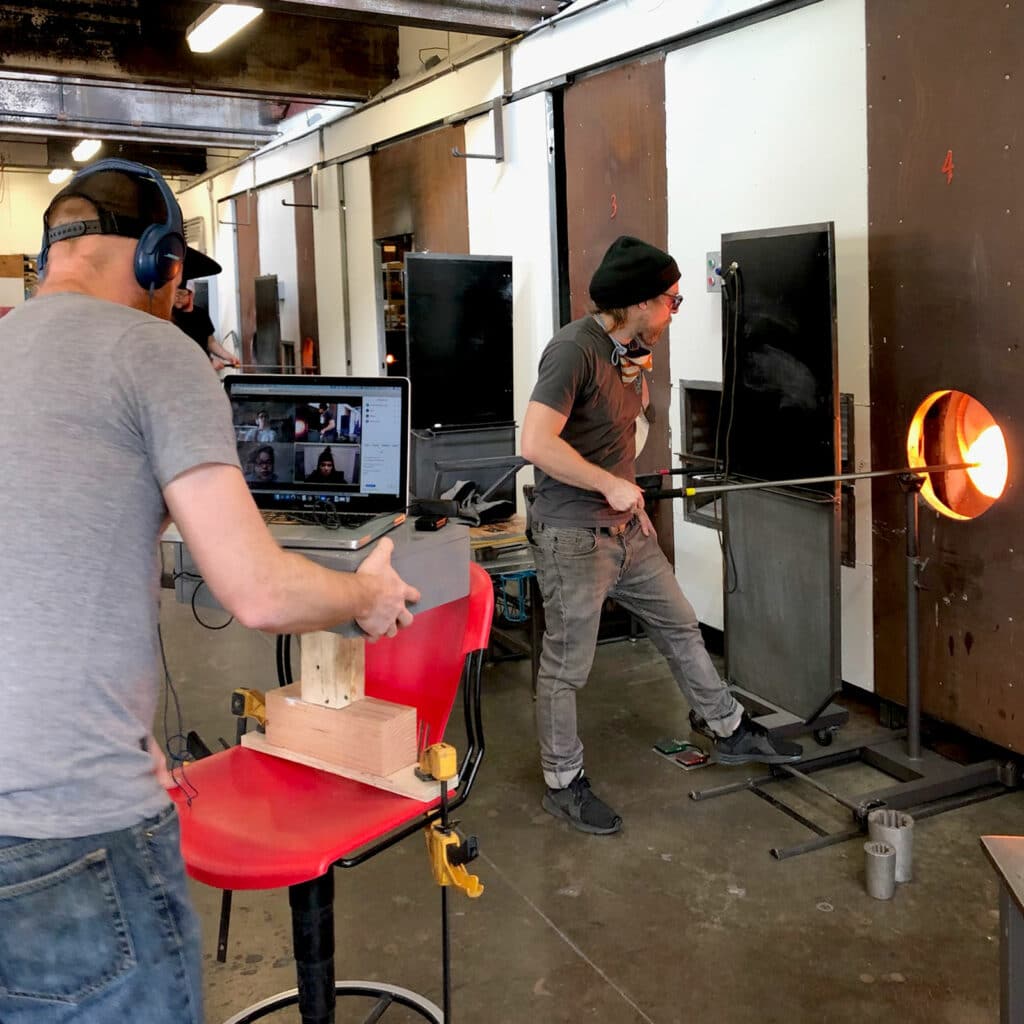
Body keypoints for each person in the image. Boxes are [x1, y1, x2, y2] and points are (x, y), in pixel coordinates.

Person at [0, 160, 420, 1024]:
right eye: (181, 275)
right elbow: (258, 591)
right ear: (158, 261)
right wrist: (361, 594)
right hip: (71, 829)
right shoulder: (154, 350)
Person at [521, 234, 802, 837]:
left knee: (679, 623)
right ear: (641, 301)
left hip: (629, 530)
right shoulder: (572, 351)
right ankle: (562, 782)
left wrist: (630, 467)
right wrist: (608, 485)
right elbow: (535, 444)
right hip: (574, 536)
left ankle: (726, 728)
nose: (675, 310)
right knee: (567, 667)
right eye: (672, 299)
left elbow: (624, 431)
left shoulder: (631, 349)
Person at [172, 279, 240, 370]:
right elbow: (180, 350)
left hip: (202, 373)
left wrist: (229, 357)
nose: (177, 297)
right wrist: (209, 362)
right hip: (182, 371)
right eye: (175, 294)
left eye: (181, 294)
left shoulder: (201, 314)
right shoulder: (169, 317)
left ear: (191, 294)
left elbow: (211, 342)